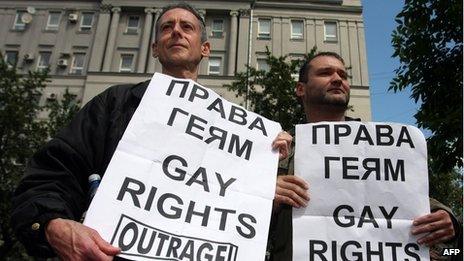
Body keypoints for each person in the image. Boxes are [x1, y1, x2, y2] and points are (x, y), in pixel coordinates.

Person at [11, 4, 290, 260]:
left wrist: (263, 166)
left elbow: (237, 217)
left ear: (205, 48)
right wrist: (52, 224)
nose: (176, 32)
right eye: (167, 27)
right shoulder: (115, 104)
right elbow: (54, 171)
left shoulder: (235, 129)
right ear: (156, 48)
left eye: (187, 27)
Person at [269, 51, 461, 260]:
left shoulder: (384, 146)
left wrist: (446, 217)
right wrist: (266, 194)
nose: (337, 79)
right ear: (300, 89)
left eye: (343, 75)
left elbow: (406, 197)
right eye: (325, 73)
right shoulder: (278, 149)